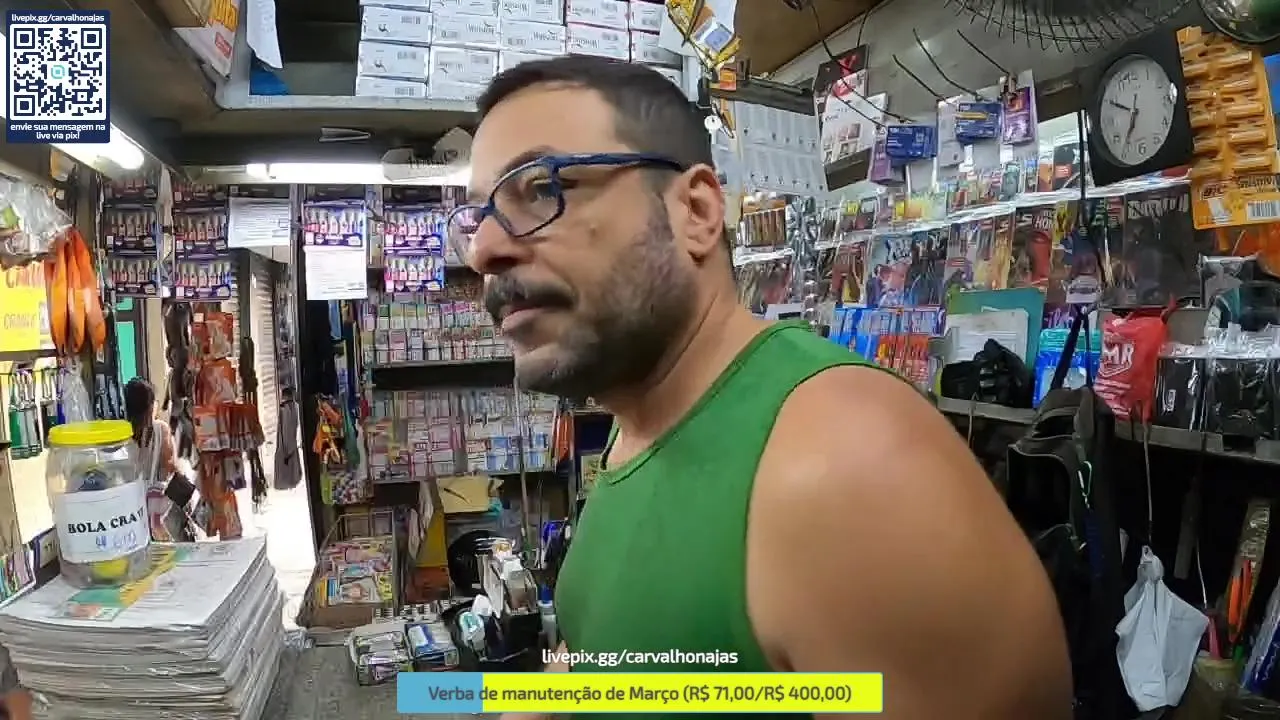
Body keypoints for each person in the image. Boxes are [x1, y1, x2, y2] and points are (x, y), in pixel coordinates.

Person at [447, 56, 1072, 719]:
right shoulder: (640, 425)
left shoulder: (846, 467)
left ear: (695, 212)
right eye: (476, 219)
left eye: (541, 188)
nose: (485, 251)